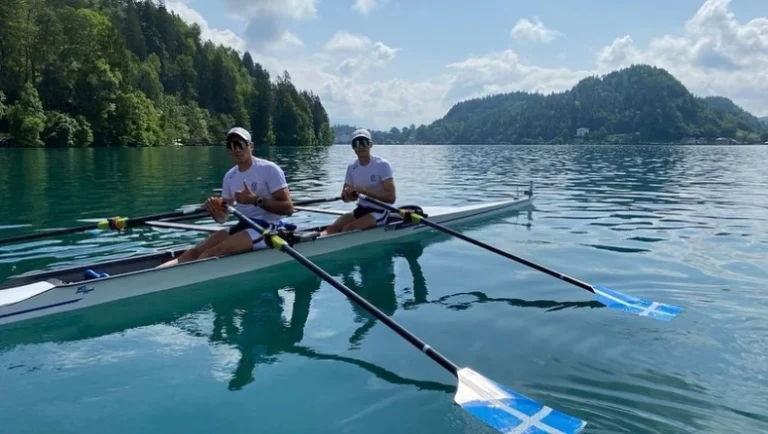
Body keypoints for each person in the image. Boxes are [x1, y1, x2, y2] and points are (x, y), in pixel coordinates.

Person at [158, 127, 294, 268]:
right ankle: (156, 276)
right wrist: (215, 210)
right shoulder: (230, 176)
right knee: (194, 252)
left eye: (240, 144)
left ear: (250, 146)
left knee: (210, 254)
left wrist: (256, 200)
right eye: (231, 145)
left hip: (269, 228)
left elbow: (289, 208)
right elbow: (223, 219)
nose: (236, 149)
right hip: (244, 226)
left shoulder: (269, 169)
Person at [320, 129, 396, 235]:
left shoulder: (382, 165)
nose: (360, 146)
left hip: (380, 211)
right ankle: (317, 240)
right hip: (361, 209)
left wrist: (362, 191)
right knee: (334, 227)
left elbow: (391, 198)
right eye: (357, 143)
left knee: (347, 228)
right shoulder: (352, 167)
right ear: (353, 147)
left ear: (370, 145)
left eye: (364, 142)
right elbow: (346, 198)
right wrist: (347, 196)